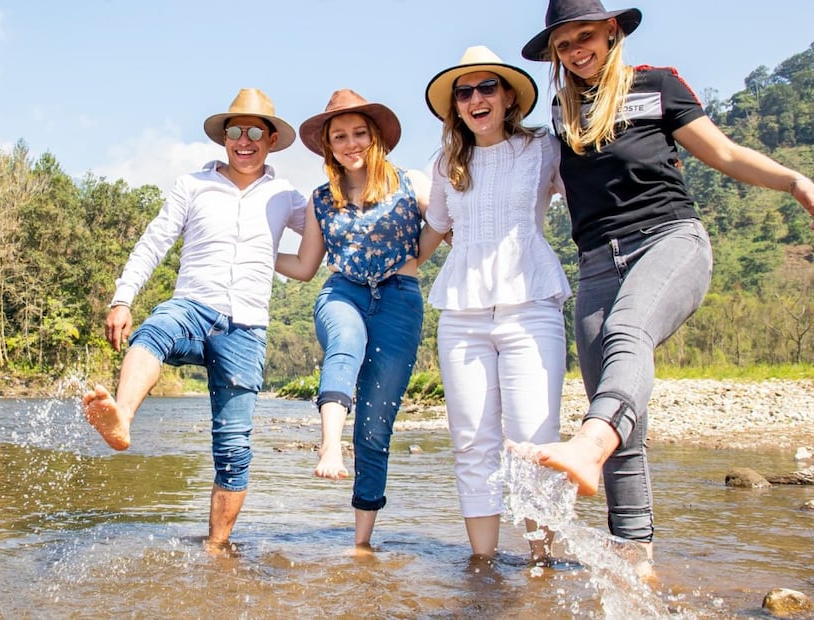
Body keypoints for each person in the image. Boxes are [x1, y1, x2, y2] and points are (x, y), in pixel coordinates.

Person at [516, 0, 814, 573]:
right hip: (597, 263)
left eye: (585, 37)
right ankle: (636, 559)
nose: (577, 51)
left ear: (609, 33)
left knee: (628, 333)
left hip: (668, 240)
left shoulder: (657, 85)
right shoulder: (562, 111)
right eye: (565, 44)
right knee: (618, 399)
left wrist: (794, 181)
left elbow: (724, 153)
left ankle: (588, 446)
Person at [82, 88, 307, 551]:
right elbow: (154, 241)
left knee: (234, 446)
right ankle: (122, 417)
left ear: (270, 139)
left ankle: (216, 549)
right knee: (155, 329)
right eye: (234, 132)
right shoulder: (192, 184)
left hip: (247, 328)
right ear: (224, 138)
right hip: (193, 306)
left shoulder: (287, 195)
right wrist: (123, 299)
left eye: (254, 132)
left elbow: (333, 230)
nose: (244, 141)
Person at [419, 46, 571, 563]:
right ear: (455, 106)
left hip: (531, 306)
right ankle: (482, 566)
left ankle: (540, 563)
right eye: (465, 92)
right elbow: (435, 229)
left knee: (534, 441)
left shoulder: (544, 149)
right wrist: (390, 268)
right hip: (461, 315)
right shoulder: (446, 163)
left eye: (487, 88)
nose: (476, 98)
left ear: (509, 97)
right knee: (471, 444)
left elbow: (587, 199)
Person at [274, 89, 429, 550]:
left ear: (376, 138)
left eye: (359, 133)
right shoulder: (321, 199)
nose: (350, 143)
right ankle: (327, 445)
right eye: (339, 136)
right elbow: (304, 267)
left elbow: (449, 221)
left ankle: (362, 544)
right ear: (328, 146)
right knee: (346, 341)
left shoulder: (411, 183)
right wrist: (256, 251)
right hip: (343, 291)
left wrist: (428, 249)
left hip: (400, 299)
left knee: (376, 427)